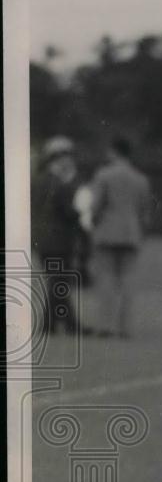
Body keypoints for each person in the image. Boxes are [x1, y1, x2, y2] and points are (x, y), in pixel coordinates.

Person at [90, 136, 154, 339]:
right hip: (131, 232)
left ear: (113, 151)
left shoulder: (104, 175)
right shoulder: (140, 179)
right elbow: (145, 211)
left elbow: (96, 205)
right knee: (127, 280)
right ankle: (125, 327)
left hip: (108, 231)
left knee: (106, 278)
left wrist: (93, 222)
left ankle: (105, 325)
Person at [31, 136, 86, 335]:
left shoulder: (38, 181)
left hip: (42, 239)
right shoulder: (59, 184)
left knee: (57, 281)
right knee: (58, 281)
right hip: (59, 239)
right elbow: (69, 212)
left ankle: (65, 324)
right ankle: (52, 325)